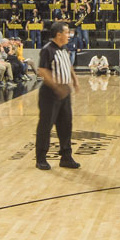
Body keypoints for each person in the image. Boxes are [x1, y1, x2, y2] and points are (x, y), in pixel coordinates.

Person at [35, 22, 79, 170]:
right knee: (45, 126)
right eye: (67, 32)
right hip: (50, 94)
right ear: (59, 34)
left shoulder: (64, 48)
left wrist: (75, 80)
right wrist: (56, 87)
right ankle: (41, 158)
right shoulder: (47, 50)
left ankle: (66, 157)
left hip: (64, 93)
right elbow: (42, 71)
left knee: (66, 126)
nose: (69, 35)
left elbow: (68, 65)